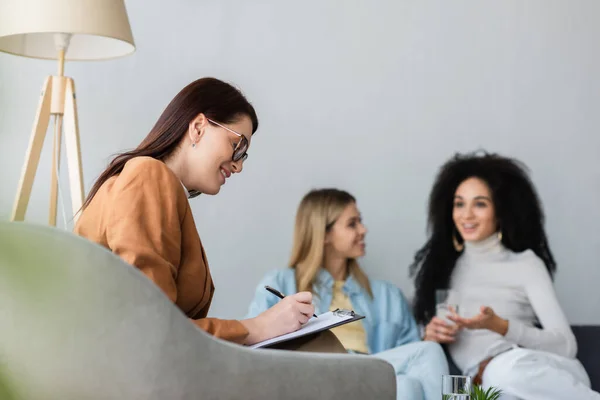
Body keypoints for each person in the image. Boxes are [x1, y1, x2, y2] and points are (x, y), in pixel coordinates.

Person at [74, 77, 343, 350]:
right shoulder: (148, 174)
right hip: (131, 372)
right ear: (199, 127)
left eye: (244, 156)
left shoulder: (157, 186)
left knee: (318, 344)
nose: (238, 166)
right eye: (237, 146)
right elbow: (151, 323)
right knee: (321, 347)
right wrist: (258, 327)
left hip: (155, 363)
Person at [410, 151, 599, 400]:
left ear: (500, 211)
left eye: (479, 204)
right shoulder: (442, 270)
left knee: (504, 371)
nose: (466, 215)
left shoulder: (526, 264)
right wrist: (430, 338)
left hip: (541, 371)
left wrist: (499, 326)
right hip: (484, 385)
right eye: (459, 203)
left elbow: (566, 346)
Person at [246, 188, 449, 400]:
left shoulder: (388, 296)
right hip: (313, 380)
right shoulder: (280, 284)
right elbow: (251, 350)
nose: (363, 230)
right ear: (324, 234)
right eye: (352, 224)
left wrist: (426, 336)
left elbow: (411, 360)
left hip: (369, 380)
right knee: (428, 352)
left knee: (407, 386)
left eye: (360, 222)